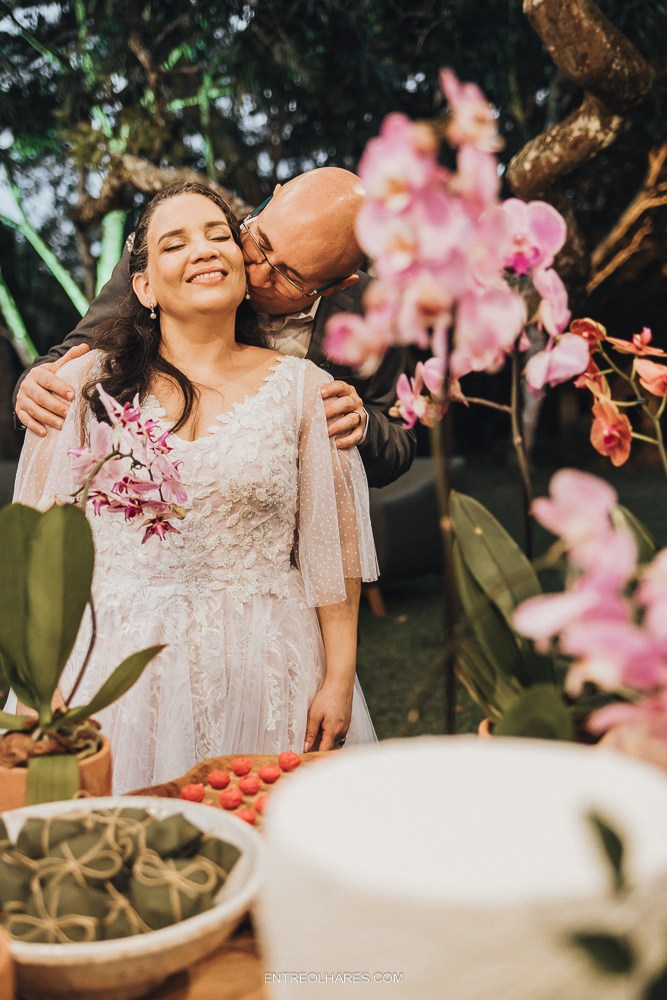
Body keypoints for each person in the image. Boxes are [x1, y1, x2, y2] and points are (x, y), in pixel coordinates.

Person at [13, 182, 378, 793]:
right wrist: (37, 680)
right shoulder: (80, 385)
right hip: (117, 667)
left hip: (271, 660)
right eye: (175, 243)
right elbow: (37, 553)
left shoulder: (308, 389)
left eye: (217, 235)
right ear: (144, 287)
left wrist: (338, 676)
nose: (206, 250)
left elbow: (332, 551)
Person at [14, 168, 416, 489]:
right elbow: (71, 359)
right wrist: (32, 387)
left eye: (287, 277)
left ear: (339, 284)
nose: (255, 273)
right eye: (260, 242)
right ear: (272, 197)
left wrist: (362, 427)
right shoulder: (189, 258)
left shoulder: (373, 313)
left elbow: (399, 442)